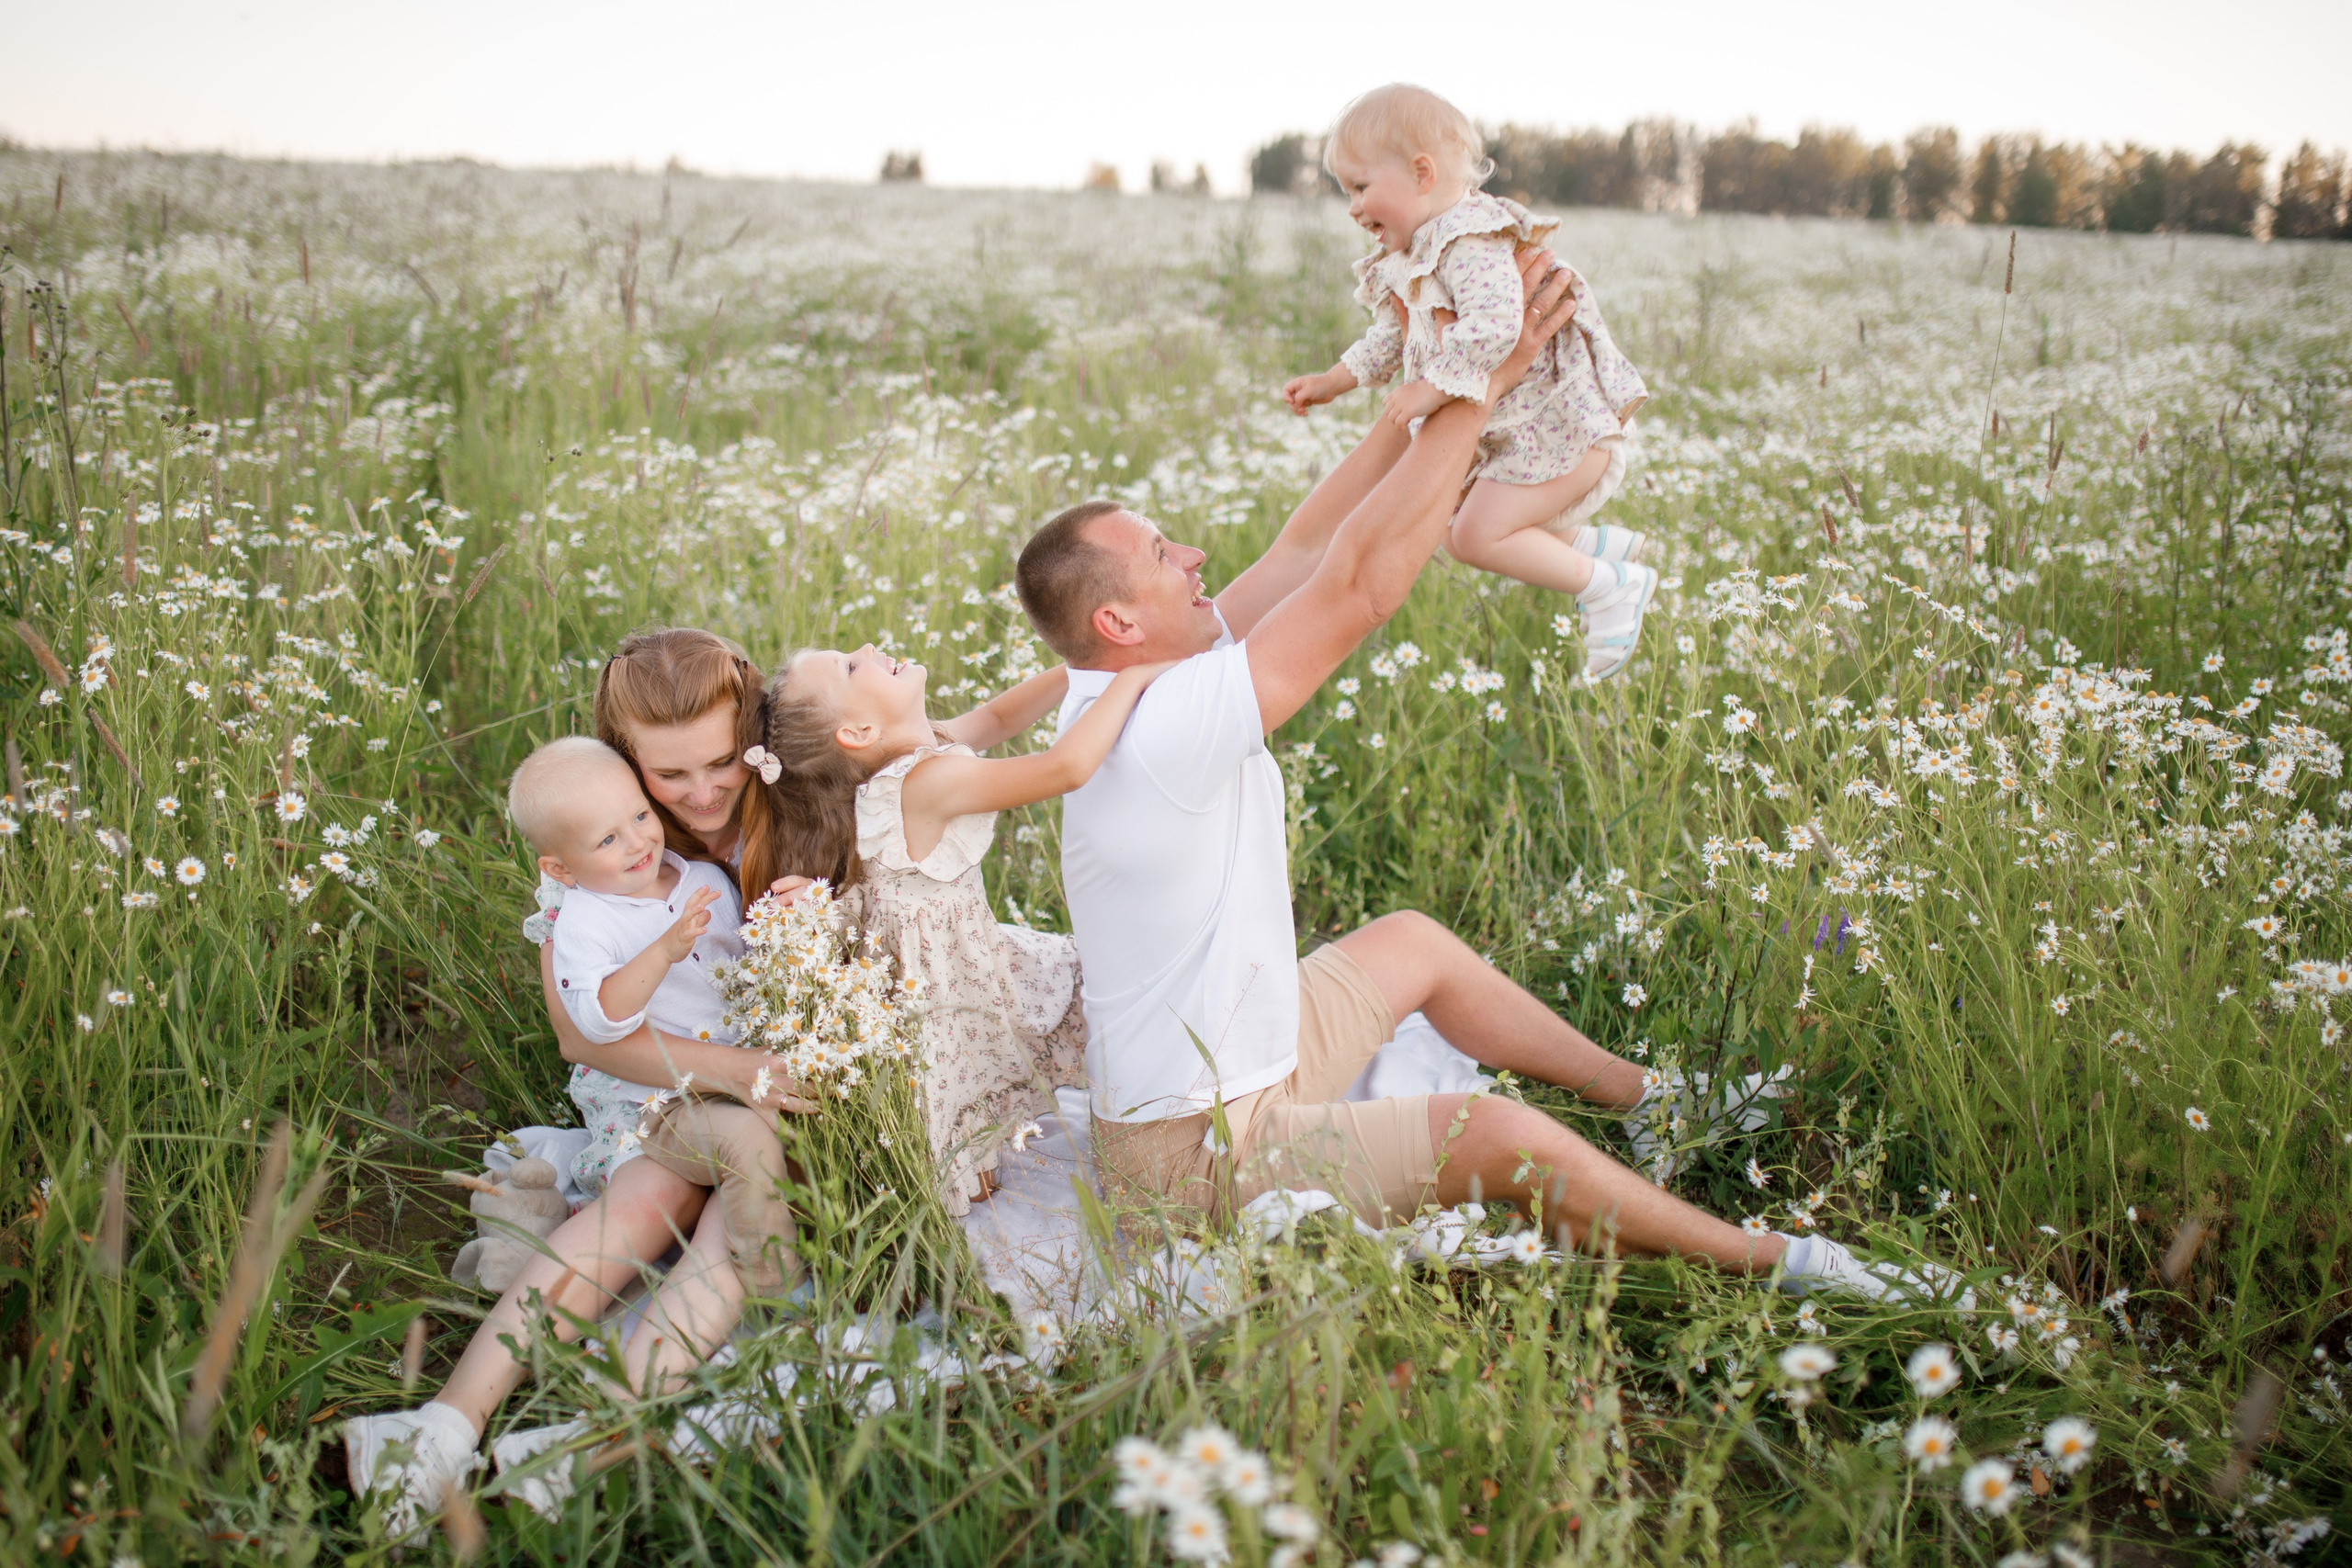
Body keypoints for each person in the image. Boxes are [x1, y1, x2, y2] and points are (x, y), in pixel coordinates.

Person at [1018, 251, 1956, 1302]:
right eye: (1160, 553)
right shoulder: (1167, 719)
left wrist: (1412, 407)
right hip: (1190, 1162)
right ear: (1117, 620)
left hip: (1254, 1058)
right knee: (1499, 1134)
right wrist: (1485, 383)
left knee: (1413, 944)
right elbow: (1359, 585)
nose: (1191, 556)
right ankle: (1788, 1269)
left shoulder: (1132, 679)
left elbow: (1304, 544)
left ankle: (1661, 1102)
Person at [345, 630, 807, 1535]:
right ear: (624, 763)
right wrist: (743, 1073)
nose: (701, 794)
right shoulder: (596, 853)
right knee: (641, 1206)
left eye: (722, 763)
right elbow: (586, 1037)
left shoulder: (780, 811)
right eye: (667, 778)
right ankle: (449, 1421)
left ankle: (585, 1443)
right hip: (672, 1090)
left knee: (724, 1222)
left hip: (768, 1087)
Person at [744, 647, 1172, 1213]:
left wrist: (1089, 668)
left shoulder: (920, 752)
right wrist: (1137, 675)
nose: (867, 649)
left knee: (1016, 1047)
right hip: (940, 995)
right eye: (850, 666)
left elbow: (998, 719)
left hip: (959, 964)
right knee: (964, 1121)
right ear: (861, 730)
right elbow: (1064, 768)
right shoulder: (927, 782)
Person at [1281, 84, 1656, 681]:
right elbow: (1395, 333)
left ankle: (1610, 585)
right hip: (1519, 437)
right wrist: (1336, 379)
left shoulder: (1468, 237)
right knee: (1453, 533)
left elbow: (1497, 325)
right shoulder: (1412, 255)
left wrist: (1432, 388)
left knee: (1477, 534)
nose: (1352, 208)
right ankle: (1590, 548)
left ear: (1422, 172)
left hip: (1556, 428)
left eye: (1359, 187)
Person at [511, 736, 801, 1303]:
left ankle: (761, 1259)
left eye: (640, 816)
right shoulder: (584, 922)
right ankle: (777, 1290)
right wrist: (663, 951)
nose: (639, 840)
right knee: (746, 1142)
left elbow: (744, 963)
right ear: (559, 869)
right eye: (608, 838)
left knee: (777, 1133)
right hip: (657, 1099)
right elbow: (594, 1022)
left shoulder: (703, 880)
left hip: (726, 1075)